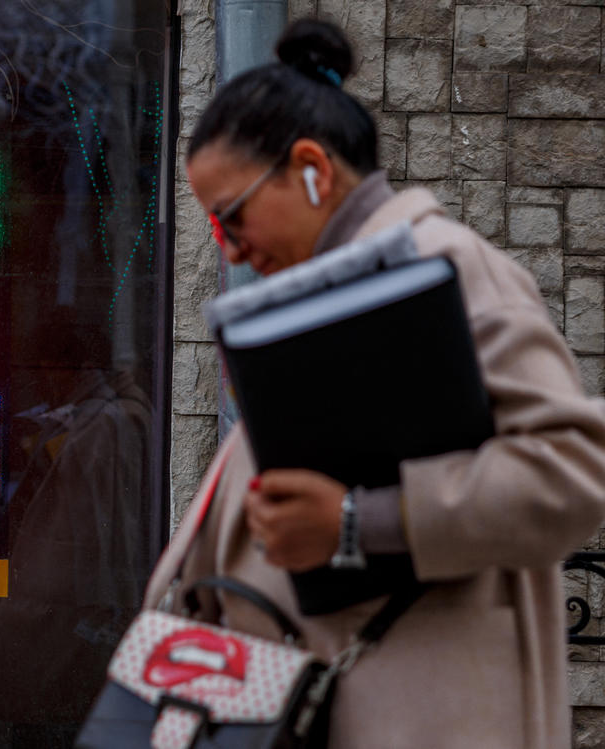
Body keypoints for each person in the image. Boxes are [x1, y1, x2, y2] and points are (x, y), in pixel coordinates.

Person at [143, 18, 605, 749]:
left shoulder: (446, 266)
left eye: (231, 215)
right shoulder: (321, 302)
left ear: (311, 170)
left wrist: (357, 522)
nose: (227, 245)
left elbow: (574, 472)